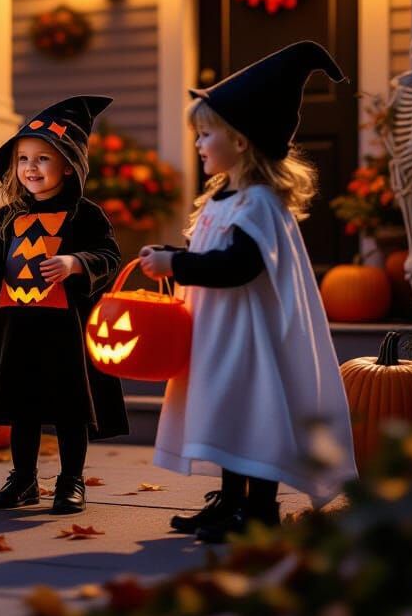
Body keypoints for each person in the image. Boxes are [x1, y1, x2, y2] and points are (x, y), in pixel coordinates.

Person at [140, 42, 357, 543]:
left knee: (252, 415)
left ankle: (257, 508)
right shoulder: (222, 197)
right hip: (218, 332)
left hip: (249, 336)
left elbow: (238, 265)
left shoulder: (258, 203)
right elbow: (211, 253)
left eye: (206, 133)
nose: (197, 143)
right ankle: (230, 500)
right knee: (227, 414)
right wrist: (170, 256)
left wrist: (177, 263)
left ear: (240, 141)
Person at [0, 96, 129, 515]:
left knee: (69, 409)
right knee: (22, 408)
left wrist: (76, 263)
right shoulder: (8, 217)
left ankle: (70, 480)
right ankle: (23, 479)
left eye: (43, 158)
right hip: (16, 327)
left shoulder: (84, 215)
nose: (31, 168)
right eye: (23, 159)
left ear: (69, 166)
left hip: (65, 331)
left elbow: (110, 258)